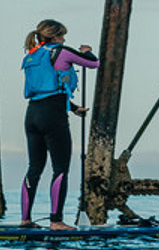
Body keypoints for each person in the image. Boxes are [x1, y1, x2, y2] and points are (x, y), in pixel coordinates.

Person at [19, 19, 99, 230]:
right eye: (62, 35)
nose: (64, 39)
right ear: (54, 37)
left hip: (32, 115)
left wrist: (73, 108)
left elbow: (48, 89)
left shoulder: (32, 55)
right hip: (53, 116)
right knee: (60, 168)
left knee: (34, 168)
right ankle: (56, 221)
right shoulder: (61, 51)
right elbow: (93, 63)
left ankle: (25, 220)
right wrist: (87, 51)